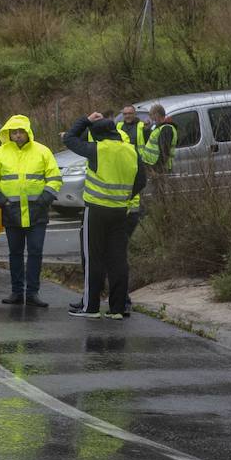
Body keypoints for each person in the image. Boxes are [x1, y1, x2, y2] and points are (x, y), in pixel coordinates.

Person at [63, 111, 145, 319]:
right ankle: (117, 308)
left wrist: (85, 120)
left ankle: (90, 307)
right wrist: (125, 195)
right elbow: (141, 180)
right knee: (118, 259)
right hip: (120, 210)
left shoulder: (98, 149)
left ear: (97, 135)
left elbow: (69, 138)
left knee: (94, 259)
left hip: (97, 210)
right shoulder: (131, 151)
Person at [0, 114, 61, 307]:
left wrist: (45, 199)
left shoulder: (42, 151)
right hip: (11, 211)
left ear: (28, 132)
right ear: (9, 134)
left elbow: (55, 177)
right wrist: (1, 200)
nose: (17, 135)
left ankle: (33, 293)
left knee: (35, 252)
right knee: (15, 253)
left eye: (21, 132)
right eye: (14, 132)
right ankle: (17, 292)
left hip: (38, 211)